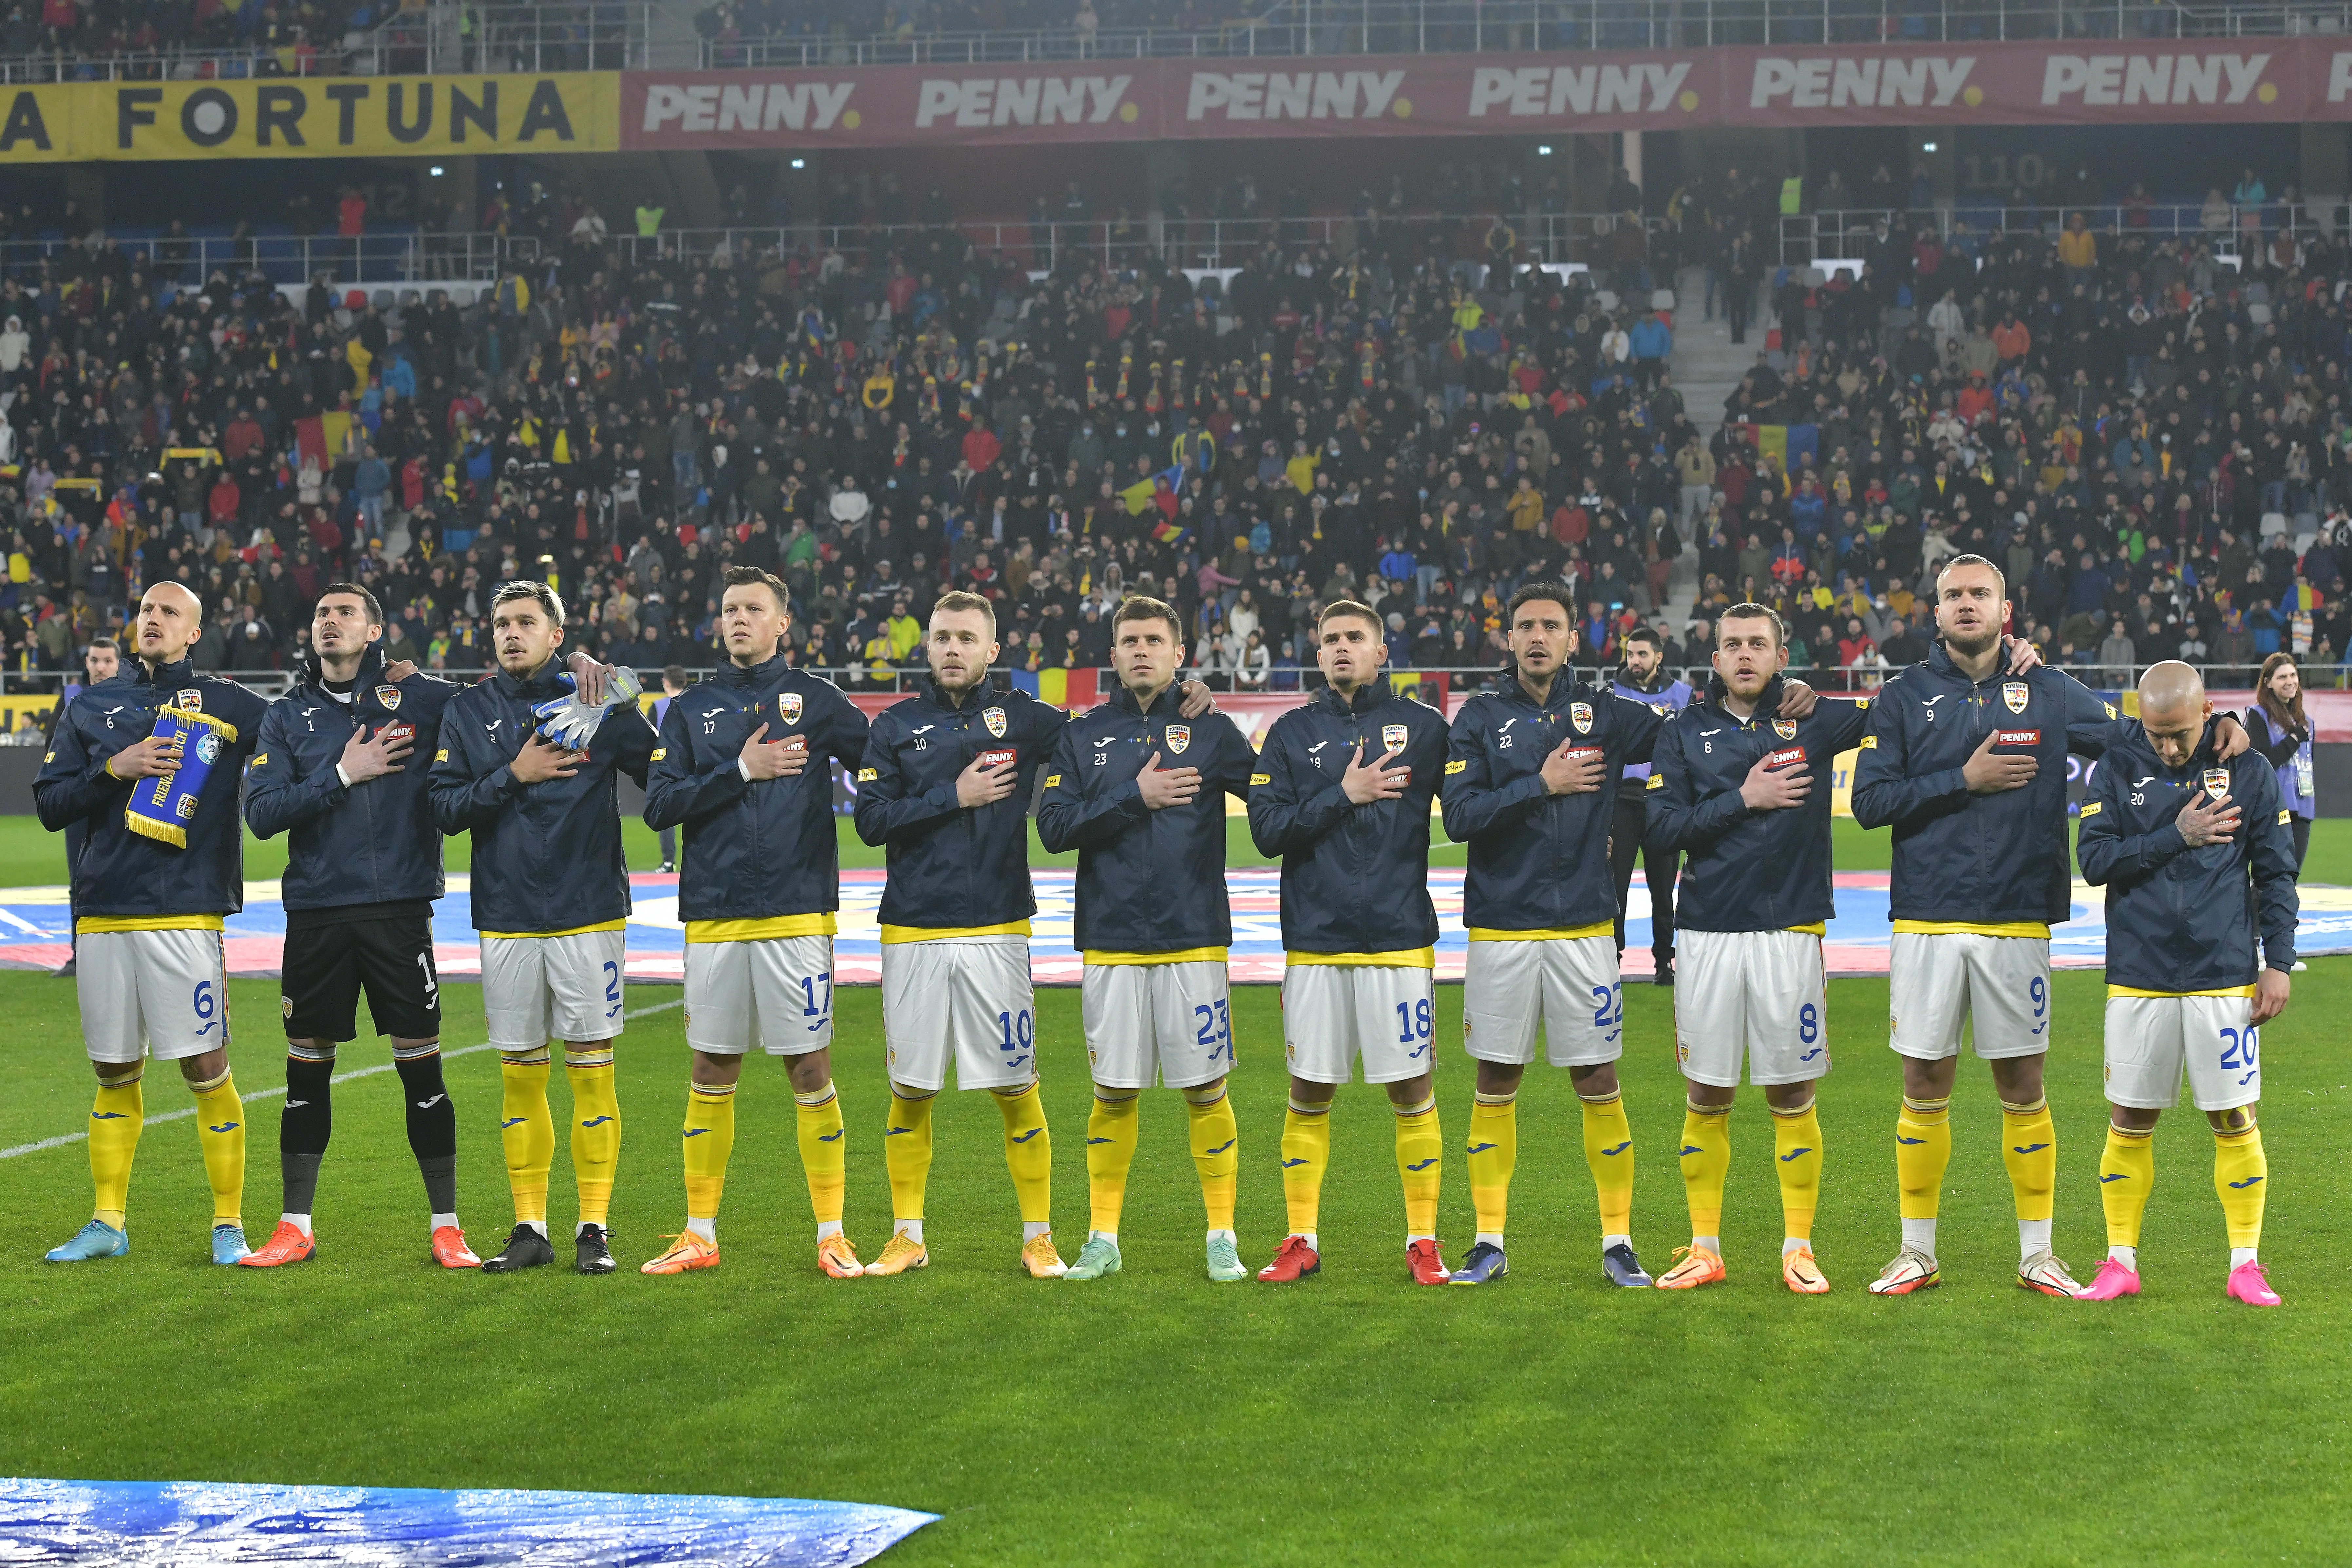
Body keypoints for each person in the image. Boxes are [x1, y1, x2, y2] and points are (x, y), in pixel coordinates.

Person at [1852, 555, 2245, 1298]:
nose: (1964, 605)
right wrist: (1958, 781)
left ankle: (2037, 1255)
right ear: (1932, 612)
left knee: (2022, 1086)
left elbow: (2138, 737)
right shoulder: (1903, 697)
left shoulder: (2045, 690)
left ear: (2005, 609)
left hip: (2016, 917)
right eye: (1950, 596)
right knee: (1922, 1080)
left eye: (1978, 594)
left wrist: (2217, 721)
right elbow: (1869, 802)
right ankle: (1914, 1251)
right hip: (1925, 918)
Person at [1439, 580, 1819, 1288]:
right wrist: (1541, 785)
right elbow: (1458, 815)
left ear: (1571, 638)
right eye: (1524, 626)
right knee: (1494, 1079)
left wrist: (1786, 689)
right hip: (1501, 926)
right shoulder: (1479, 717)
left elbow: (1700, 729)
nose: (1535, 637)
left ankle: (1617, 1242)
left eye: (1549, 626)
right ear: (1507, 638)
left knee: (1598, 1080)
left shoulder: (1608, 715)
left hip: (1586, 927)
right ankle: (1487, 1241)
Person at [854, 593, 1215, 1279]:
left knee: (1016, 1087)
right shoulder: (894, 726)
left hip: (998, 929)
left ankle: (1038, 1236)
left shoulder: (1029, 720)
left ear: (993, 651)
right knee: (909, 1089)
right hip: (911, 929)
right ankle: (907, 1234)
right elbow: (870, 820)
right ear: (925, 647)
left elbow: (1109, 734)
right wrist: (950, 798)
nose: (952, 648)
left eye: (966, 637)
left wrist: (1182, 695)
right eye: (941, 637)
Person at [239, 585, 559, 1269]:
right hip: (317, 914)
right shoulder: (286, 716)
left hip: (398, 912)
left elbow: (513, 684)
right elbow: (261, 815)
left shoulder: (425, 699)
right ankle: (295, 1224)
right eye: (321, 612)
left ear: (376, 629)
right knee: (305, 1079)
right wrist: (342, 773)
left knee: (423, 1074)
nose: (330, 621)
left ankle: (446, 1227)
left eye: (345, 612)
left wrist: (582, 660)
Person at [639, 567, 870, 1280]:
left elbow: (886, 765)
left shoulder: (819, 701)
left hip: (797, 912)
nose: (738, 618)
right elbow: (659, 805)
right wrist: (740, 770)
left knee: (809, 1067)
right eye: (729, 608)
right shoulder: (689, 710)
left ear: (782, 625)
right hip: (713, 915)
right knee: (711, 1067)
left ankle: (832, 1233)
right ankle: (699, 1233)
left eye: (753, 609)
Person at [35, 582, 269, 1266]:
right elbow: (51, 803)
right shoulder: (95, 706)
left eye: (169, 612)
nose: (153, 620)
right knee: (112, 1071)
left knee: (205, 1066)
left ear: (194, 632)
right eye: (145, 611)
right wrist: (116, 767)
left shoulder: (228, 704)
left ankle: (228, 1224)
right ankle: (108, 1222)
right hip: (105, 912)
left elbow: (307, 722)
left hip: (185, 911)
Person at [428, 582, 658, 1276]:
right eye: (502, 623)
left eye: (527, 622)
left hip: (588, 911)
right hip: (505, 915)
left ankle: (594, 1228)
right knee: (520, 1075)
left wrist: (624, 686)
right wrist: (513, 774)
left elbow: (666, 778)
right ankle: (530, 1227)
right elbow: (443, 809)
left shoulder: (597, 702)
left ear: (557, 635)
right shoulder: (467, 712)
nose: (511, 633)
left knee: (591, 1071)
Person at [1645, 604, 1871, 1294]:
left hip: (1789, 930)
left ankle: (1797, 1247)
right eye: (1731, 645)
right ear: (1713, 660)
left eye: (1757, 645)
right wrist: (1744, 798)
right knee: (1705, 1091)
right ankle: (1703, 1247)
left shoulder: (1813, 719)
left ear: (1780, 656)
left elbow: (1911, 706)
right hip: (1708, 929)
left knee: (1791, 1091)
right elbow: (1658, 830)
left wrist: (2014, 655)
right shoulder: (1681, 733)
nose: (1744, 655)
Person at [1037, 596, 1257, 1284]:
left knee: (1205, 1088)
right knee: (1112, 1091)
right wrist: (1134, 796)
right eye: (1128, 641)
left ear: (1178, 653)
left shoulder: (1213, 732)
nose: (1140, 650)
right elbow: (1053, 827)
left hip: (1193, 937)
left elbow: (1275, 806)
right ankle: (1102, 1237)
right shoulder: (1079, 736)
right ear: (1112, 656)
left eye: (1153, 641)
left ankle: (1221, 1235)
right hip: (1110, 937)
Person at [2075, 661, 2296, 1307]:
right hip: (2138, 973)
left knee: (2232, 1116)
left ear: (2207, 714)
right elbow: (2092, 861)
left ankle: (2244, 1263)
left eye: (2176, 734)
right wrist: (2174, 835)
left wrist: (2275, 962)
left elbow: (2274, 875)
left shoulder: (2248, 771)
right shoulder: (2114, 767)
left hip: (2221, 973)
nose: (2166, 747)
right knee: (2129, 1116)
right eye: (2154, 734)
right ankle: (2118, 1261)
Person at [1246, 600, 1452, 1286]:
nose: (1341, 649)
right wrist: (1342, 792)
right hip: (1315, 939)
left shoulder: (1424, 730)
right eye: (1330, 638)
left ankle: (1422, 1240)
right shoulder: (1289, 732)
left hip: (1397, 938)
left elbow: (1475, 794)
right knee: (1308, 1089)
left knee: (1410, 1089)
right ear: (1317, 648)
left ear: (1380, 650)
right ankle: (1299, 1238)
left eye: (1354, 638)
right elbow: (1266, 832)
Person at [1609, 625, 1693, 982]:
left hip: (1662, 802)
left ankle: (1664, 962)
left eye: (1642, 654)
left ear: (1658, 657)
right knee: (1616, 887)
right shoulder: (1610, 694)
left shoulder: (1682, 694)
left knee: (1663, 889)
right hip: (1623, 801)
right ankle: (1610, 960)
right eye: (1630, 654)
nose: (1635, 660)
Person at [48, 635, 120, 979]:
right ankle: (80, 957)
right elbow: (51, 757)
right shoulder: (69, 702)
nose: (100, 667)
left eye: (107, 660)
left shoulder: (133, 699)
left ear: (119, 664)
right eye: (94, 660)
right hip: (79, 805)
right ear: (86, 663)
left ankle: (119, 955)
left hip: (119, 804)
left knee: (123, 876)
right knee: (80, 881)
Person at [2243, 652, 2313, 875]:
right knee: (2271, 878)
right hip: (2272, 806)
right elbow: (2263, 761)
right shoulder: (2258, 716)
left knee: (2291, 875)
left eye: (2293, 675)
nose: (2290, 681)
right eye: (2282, 677)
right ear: (2268, 682)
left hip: (2302, 807)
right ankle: (2257, 912)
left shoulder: (2306, 722)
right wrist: (2293, 740)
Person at [651, 664, 688, 872]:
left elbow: (650, 740)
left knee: (666, 814)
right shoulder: (696, 703)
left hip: (668, 767)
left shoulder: (657, 707)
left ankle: (668, 862)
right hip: (696, 766)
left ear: (666, 683)